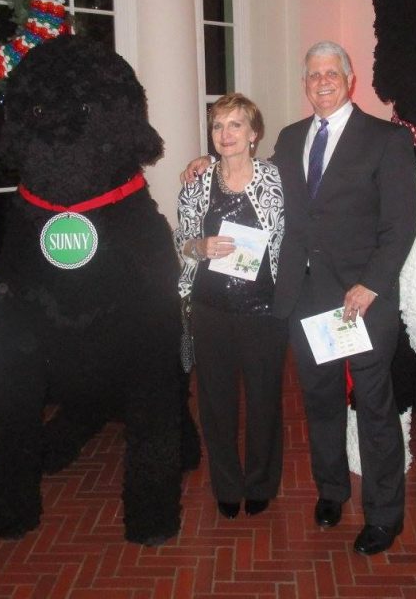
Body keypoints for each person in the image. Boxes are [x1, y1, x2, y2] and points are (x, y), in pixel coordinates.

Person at [182, 41, 416, 555]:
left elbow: (401, 224)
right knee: (322, 401)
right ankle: (331, 492)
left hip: (361, 299)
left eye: (332, 72)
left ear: (350, 80)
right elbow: (249, 172)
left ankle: (383, 515)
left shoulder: (387, 139)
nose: (323, 81)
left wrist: (374, 283)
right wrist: (208, 159)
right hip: (306, 297)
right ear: (305, 83)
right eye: (314, 74)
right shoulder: (290, 140)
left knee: (375, 406)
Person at [174, 94, 287, 520]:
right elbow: (180, 241)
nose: (226, 135)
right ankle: (227, 484)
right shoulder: (195, 184)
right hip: (211, 309)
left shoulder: (276, 180)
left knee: (264, 402)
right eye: (219, 127)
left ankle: (260, 482)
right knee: (216, 403)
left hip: (264, 311)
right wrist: (197, 245)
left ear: (253, 134)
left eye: (235, 125)